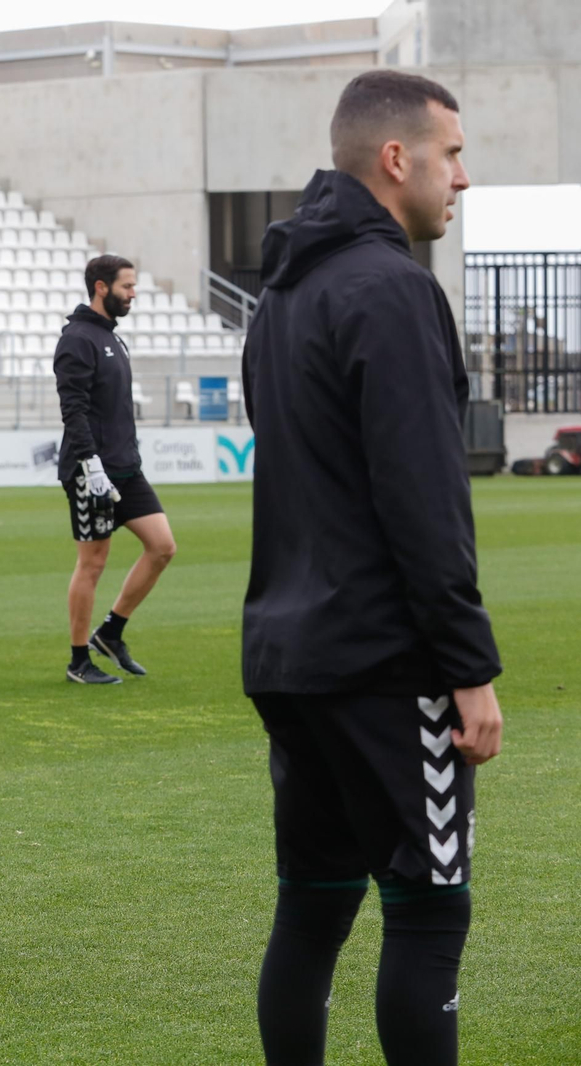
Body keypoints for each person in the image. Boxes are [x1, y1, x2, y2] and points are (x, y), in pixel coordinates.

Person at [242, 70, 503, 1066]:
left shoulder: (283, 292)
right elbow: (422, 502)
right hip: (386, 664)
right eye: (453, 155)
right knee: (429, 914)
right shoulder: (394, 291)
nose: (462, 180)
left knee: (311, 908)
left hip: (287, 655)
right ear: (398, 160)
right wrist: (466, 666)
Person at [53, 254, 177, 684]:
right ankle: (78, 660)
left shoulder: (111, 338)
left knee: (162, 547)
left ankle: (111, 632)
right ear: (101, 287)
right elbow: (74, 409)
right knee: (93, 562)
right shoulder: (78, 338)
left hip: (127, 469)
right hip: (91, 472)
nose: (134, 293)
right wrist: (90, 464)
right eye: (127, 286)